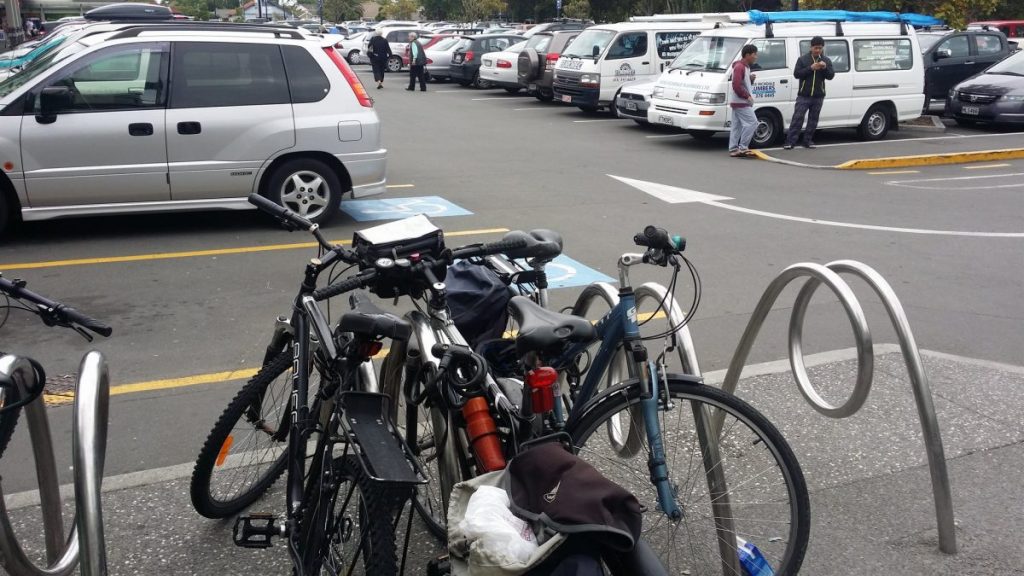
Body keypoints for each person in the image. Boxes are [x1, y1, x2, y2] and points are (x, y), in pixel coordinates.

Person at [784, 36, 834, 150]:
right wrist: (811, 68)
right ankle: (790, 141)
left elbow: (831, 76)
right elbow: (796, 74)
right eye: (816, 48)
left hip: (818, 96)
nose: (818, 50)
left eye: (820, 48)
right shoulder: (803, 59)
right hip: (804, 95)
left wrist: (825, 68)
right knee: (797, 118)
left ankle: (808, 141)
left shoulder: (826, 60)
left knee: (813, 120)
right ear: (811, 47)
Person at [728, 44, 758, 158]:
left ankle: (734, 149)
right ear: (747, 55)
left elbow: (741, 82)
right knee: (752, 122)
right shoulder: (740, 66)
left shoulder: (744, 67)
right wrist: (747, 96)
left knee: (737, 126)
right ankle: (743, 148)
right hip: (741, 101)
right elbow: (736, 85)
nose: (756, 57)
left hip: (737, 101)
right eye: (754, 54)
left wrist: (750, 79)